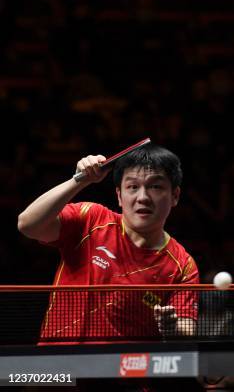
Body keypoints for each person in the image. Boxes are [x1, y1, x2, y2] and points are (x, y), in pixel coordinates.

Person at [17, 143, 199, 342]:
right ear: (119, 196)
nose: (143, 197)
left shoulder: (182, 264)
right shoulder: (90, 219)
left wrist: (173, 326)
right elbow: (28, 225)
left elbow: (187, 325)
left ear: (175, 195)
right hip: (57, 364)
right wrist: (78, 181)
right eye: (132, 187)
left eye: (155, 186)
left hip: (123, 370)